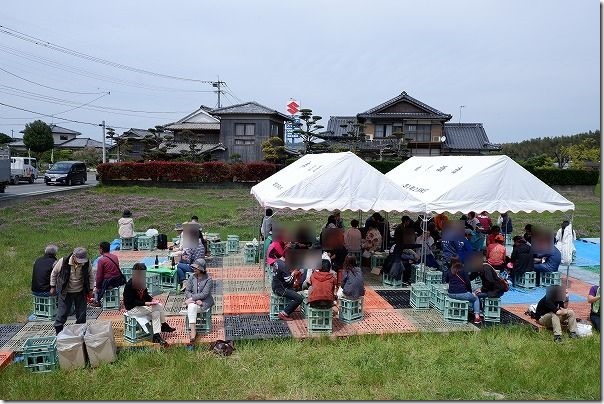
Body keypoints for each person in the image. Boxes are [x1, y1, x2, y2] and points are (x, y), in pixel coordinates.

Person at [123, 263, 175, 347]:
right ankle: (164, 325)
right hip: (132, 309)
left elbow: (146, 295)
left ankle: (156, 336)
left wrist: (151, 300)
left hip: (141, 307)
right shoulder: (130, 284)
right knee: (159, 306)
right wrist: (146, 303)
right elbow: (131, 301)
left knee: (156, 313)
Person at [50, 247, 94, 334]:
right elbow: (54, 273)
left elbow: (91, 276)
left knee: (81, 315)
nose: (80, 262)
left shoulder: (87, 263)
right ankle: (58, 334)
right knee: (62, 313)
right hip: (66, 291)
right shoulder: (63, 261)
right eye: (79, 260)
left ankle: (79, 334)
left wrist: (91, 290)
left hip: (80, 291)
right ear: (73, 256)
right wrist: (52, 286)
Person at [184, 259, 214, 344]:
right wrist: (193, 299)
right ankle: (193, 331)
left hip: (204, 303)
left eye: (196, 268)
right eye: (193, 267)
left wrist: (192, 299)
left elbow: (205, 294)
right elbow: (187, 291)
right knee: (191, 306)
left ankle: (193, 332)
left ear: (201, 269)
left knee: (191, 305)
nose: (194, 269)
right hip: (194, 303)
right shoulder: (192, 277)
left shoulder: (208, 279)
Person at [92, 241, 126, 307]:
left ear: (101, 249)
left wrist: (98, 287)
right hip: (118, 281)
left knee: (96, 287)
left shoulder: (101, 260)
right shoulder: (115, 257)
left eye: (99, 248)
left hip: (109, 282)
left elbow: (99, 276)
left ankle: (97, 302)